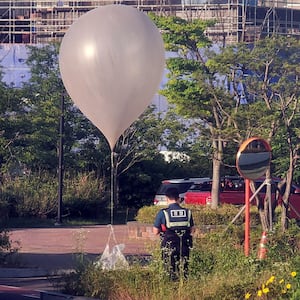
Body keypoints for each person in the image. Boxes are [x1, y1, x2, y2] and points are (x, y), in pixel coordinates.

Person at [153, 187, 195, 280]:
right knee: (184, 269)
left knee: (169, 269)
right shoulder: (188, 212)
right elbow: (192, 230)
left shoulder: (163, 213)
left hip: (169, 245)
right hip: (185, 245)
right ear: (178, 198)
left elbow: (155, 231)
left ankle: (172, 286)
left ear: (167, 198)